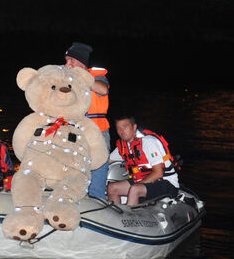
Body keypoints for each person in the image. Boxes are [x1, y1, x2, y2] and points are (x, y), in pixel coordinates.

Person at [64, 42, 110, 198]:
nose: (67, 64)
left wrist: (79, 76)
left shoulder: (97, 76)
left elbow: (102, 90)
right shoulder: (68, 78)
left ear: (82, 62)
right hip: (75, 133)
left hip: (98, 133)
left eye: (71, 60)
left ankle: (98, 202)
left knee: (97, 174)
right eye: (66, 60)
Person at [107, 115, 179, 206]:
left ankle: (129, 218)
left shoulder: (148, 142)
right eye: (118, 128)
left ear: (134, 127)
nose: (121, 131)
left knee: (134, 189)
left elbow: (158, 173)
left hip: (166, 182)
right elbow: (106, 161)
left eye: (125, 127)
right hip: (143, 181)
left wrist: (137, 184)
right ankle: (115, 217)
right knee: (112, 188)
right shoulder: (123, 147)